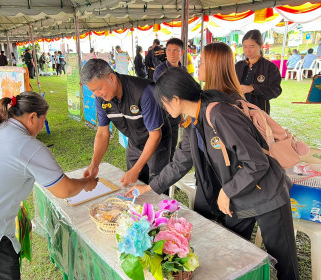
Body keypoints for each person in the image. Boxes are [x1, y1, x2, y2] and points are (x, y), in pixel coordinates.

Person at [126, 67, 299, 280]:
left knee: (284, 264)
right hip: (239, 199)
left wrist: (227, 191)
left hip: (267, 195)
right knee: (234, 256)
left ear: (176, 99)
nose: (162, 107)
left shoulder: (219, 114)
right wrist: (150, 187)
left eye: (163, 102)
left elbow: (257, 163)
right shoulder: (193, 122)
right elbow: (180, 162)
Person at [0, 91, 98, 280]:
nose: (42, 127)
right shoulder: (28, 146)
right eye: (43, 121)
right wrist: (86, 182)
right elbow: (65, 190)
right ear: (33, 117)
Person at [81, 59, 171, 186]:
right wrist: (94, 165)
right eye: (93, 91)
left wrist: (136, 169)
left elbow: (155, 135)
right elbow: (102, 133)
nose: (97, 94)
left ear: (111, 78)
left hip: (157, 144)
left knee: (156, 187)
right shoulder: (100, 98)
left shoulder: (144, 92)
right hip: (134, 143)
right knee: (134, 186)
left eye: (99, 88)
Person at [153, 38, 186, 163]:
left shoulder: (183, 70)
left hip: (176, 115)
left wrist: (181, 115)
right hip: (162, 115)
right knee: (161, 146)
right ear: (165, 51)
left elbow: (182, 94)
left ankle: (168, 173)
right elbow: (160, 93)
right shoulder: (160, 70)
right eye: (169, 50)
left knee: (172, 146)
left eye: (175, 50)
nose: (172, 53)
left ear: (182, 52)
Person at [235, 30, 282, 114]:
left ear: (261, 46)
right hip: (239, 111)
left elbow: (276, 90)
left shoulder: (270, 67)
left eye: (252, 46)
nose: (248, 50)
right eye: (245, 47)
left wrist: (253, 88)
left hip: (259, 112)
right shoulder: (238, 66)